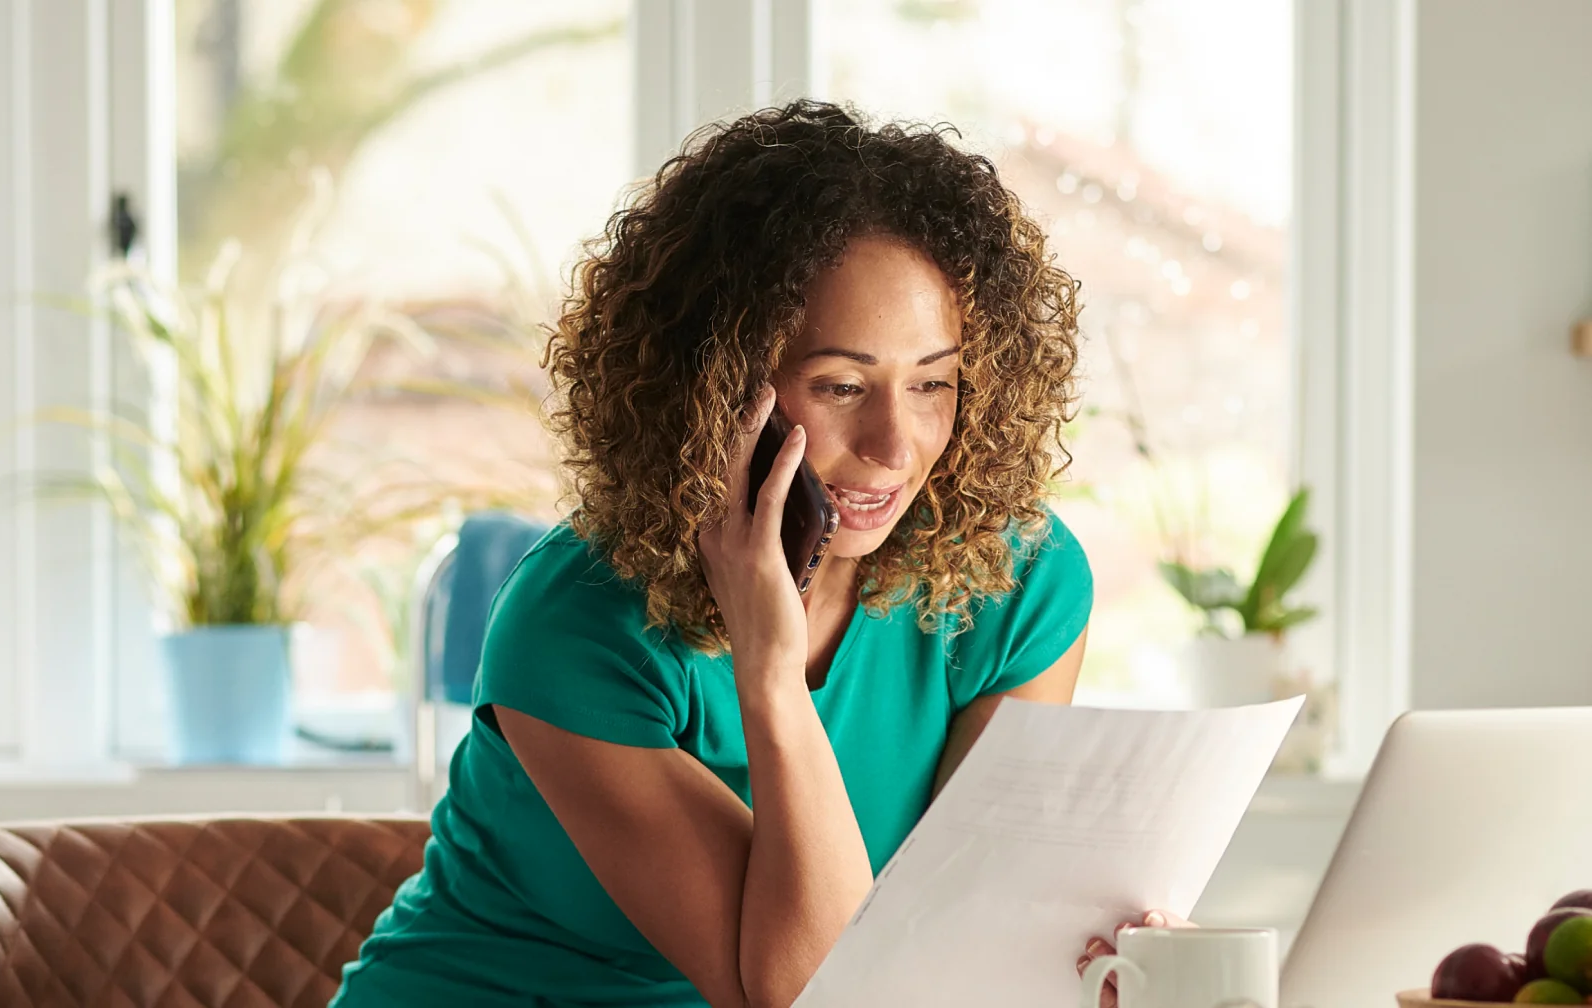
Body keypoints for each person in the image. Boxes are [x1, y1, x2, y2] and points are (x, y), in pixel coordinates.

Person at [332, 99, 1174, 1008]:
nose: (896, 444)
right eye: (841, 385)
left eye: (933, 383)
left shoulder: (1019, 585)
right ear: (720, 389)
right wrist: (771, 672)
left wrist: (1079, 957)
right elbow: (801, 991)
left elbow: (955, 937)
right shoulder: (576, 621)